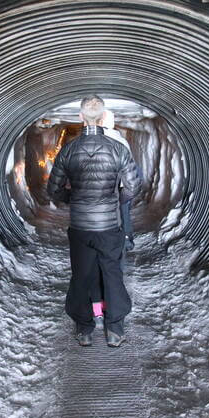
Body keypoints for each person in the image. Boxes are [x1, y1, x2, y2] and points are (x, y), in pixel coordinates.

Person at [47, 95, 141, 347]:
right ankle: (115, 329)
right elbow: (133, 186)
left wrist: (73, 197)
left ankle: (85, 329)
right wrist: (113, 199)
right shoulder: (118, 149)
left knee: (81, 275)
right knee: (112, 273)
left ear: (80, 118)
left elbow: (53, 189)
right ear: (102, 118)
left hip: (80, 226)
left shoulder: (68, 150)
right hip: (109, 226)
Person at [89, 109, 135, 328]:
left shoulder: (83, 144)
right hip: (114, 210)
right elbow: (132, 182)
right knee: (114, 262)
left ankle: (96, 310)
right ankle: (113, 316)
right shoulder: (121, 145)